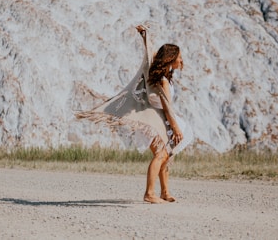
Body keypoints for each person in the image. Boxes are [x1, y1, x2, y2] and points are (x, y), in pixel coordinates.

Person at [76, 25, 193, 204]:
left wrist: (146, 36)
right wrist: (176, 129)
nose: (182, 60)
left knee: (167, 155)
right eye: (179, 57)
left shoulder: (160, 75)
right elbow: (168, 108)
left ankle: (165, 192)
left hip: (159, 120)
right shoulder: (162, 82)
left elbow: (151, 54)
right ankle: (150, 193)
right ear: (171, 59)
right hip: (155, 121)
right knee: (161, 155)